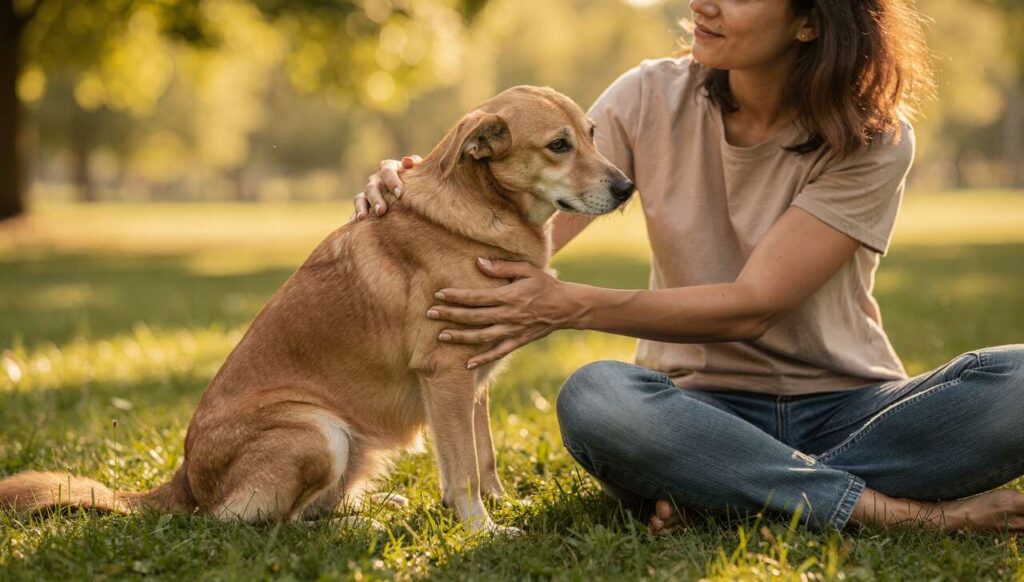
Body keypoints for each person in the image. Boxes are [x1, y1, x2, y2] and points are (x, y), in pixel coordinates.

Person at [352, 0, 1024, 533]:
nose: (703, 3)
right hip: (689, 409)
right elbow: (516, 198)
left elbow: (755, 302)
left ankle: (729, 487)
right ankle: (888, 511)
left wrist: (571, 304)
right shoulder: (648, 96)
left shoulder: (873, 136)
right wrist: (423, 187)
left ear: (811, 20)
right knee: (598, 399)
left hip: (851, 407)